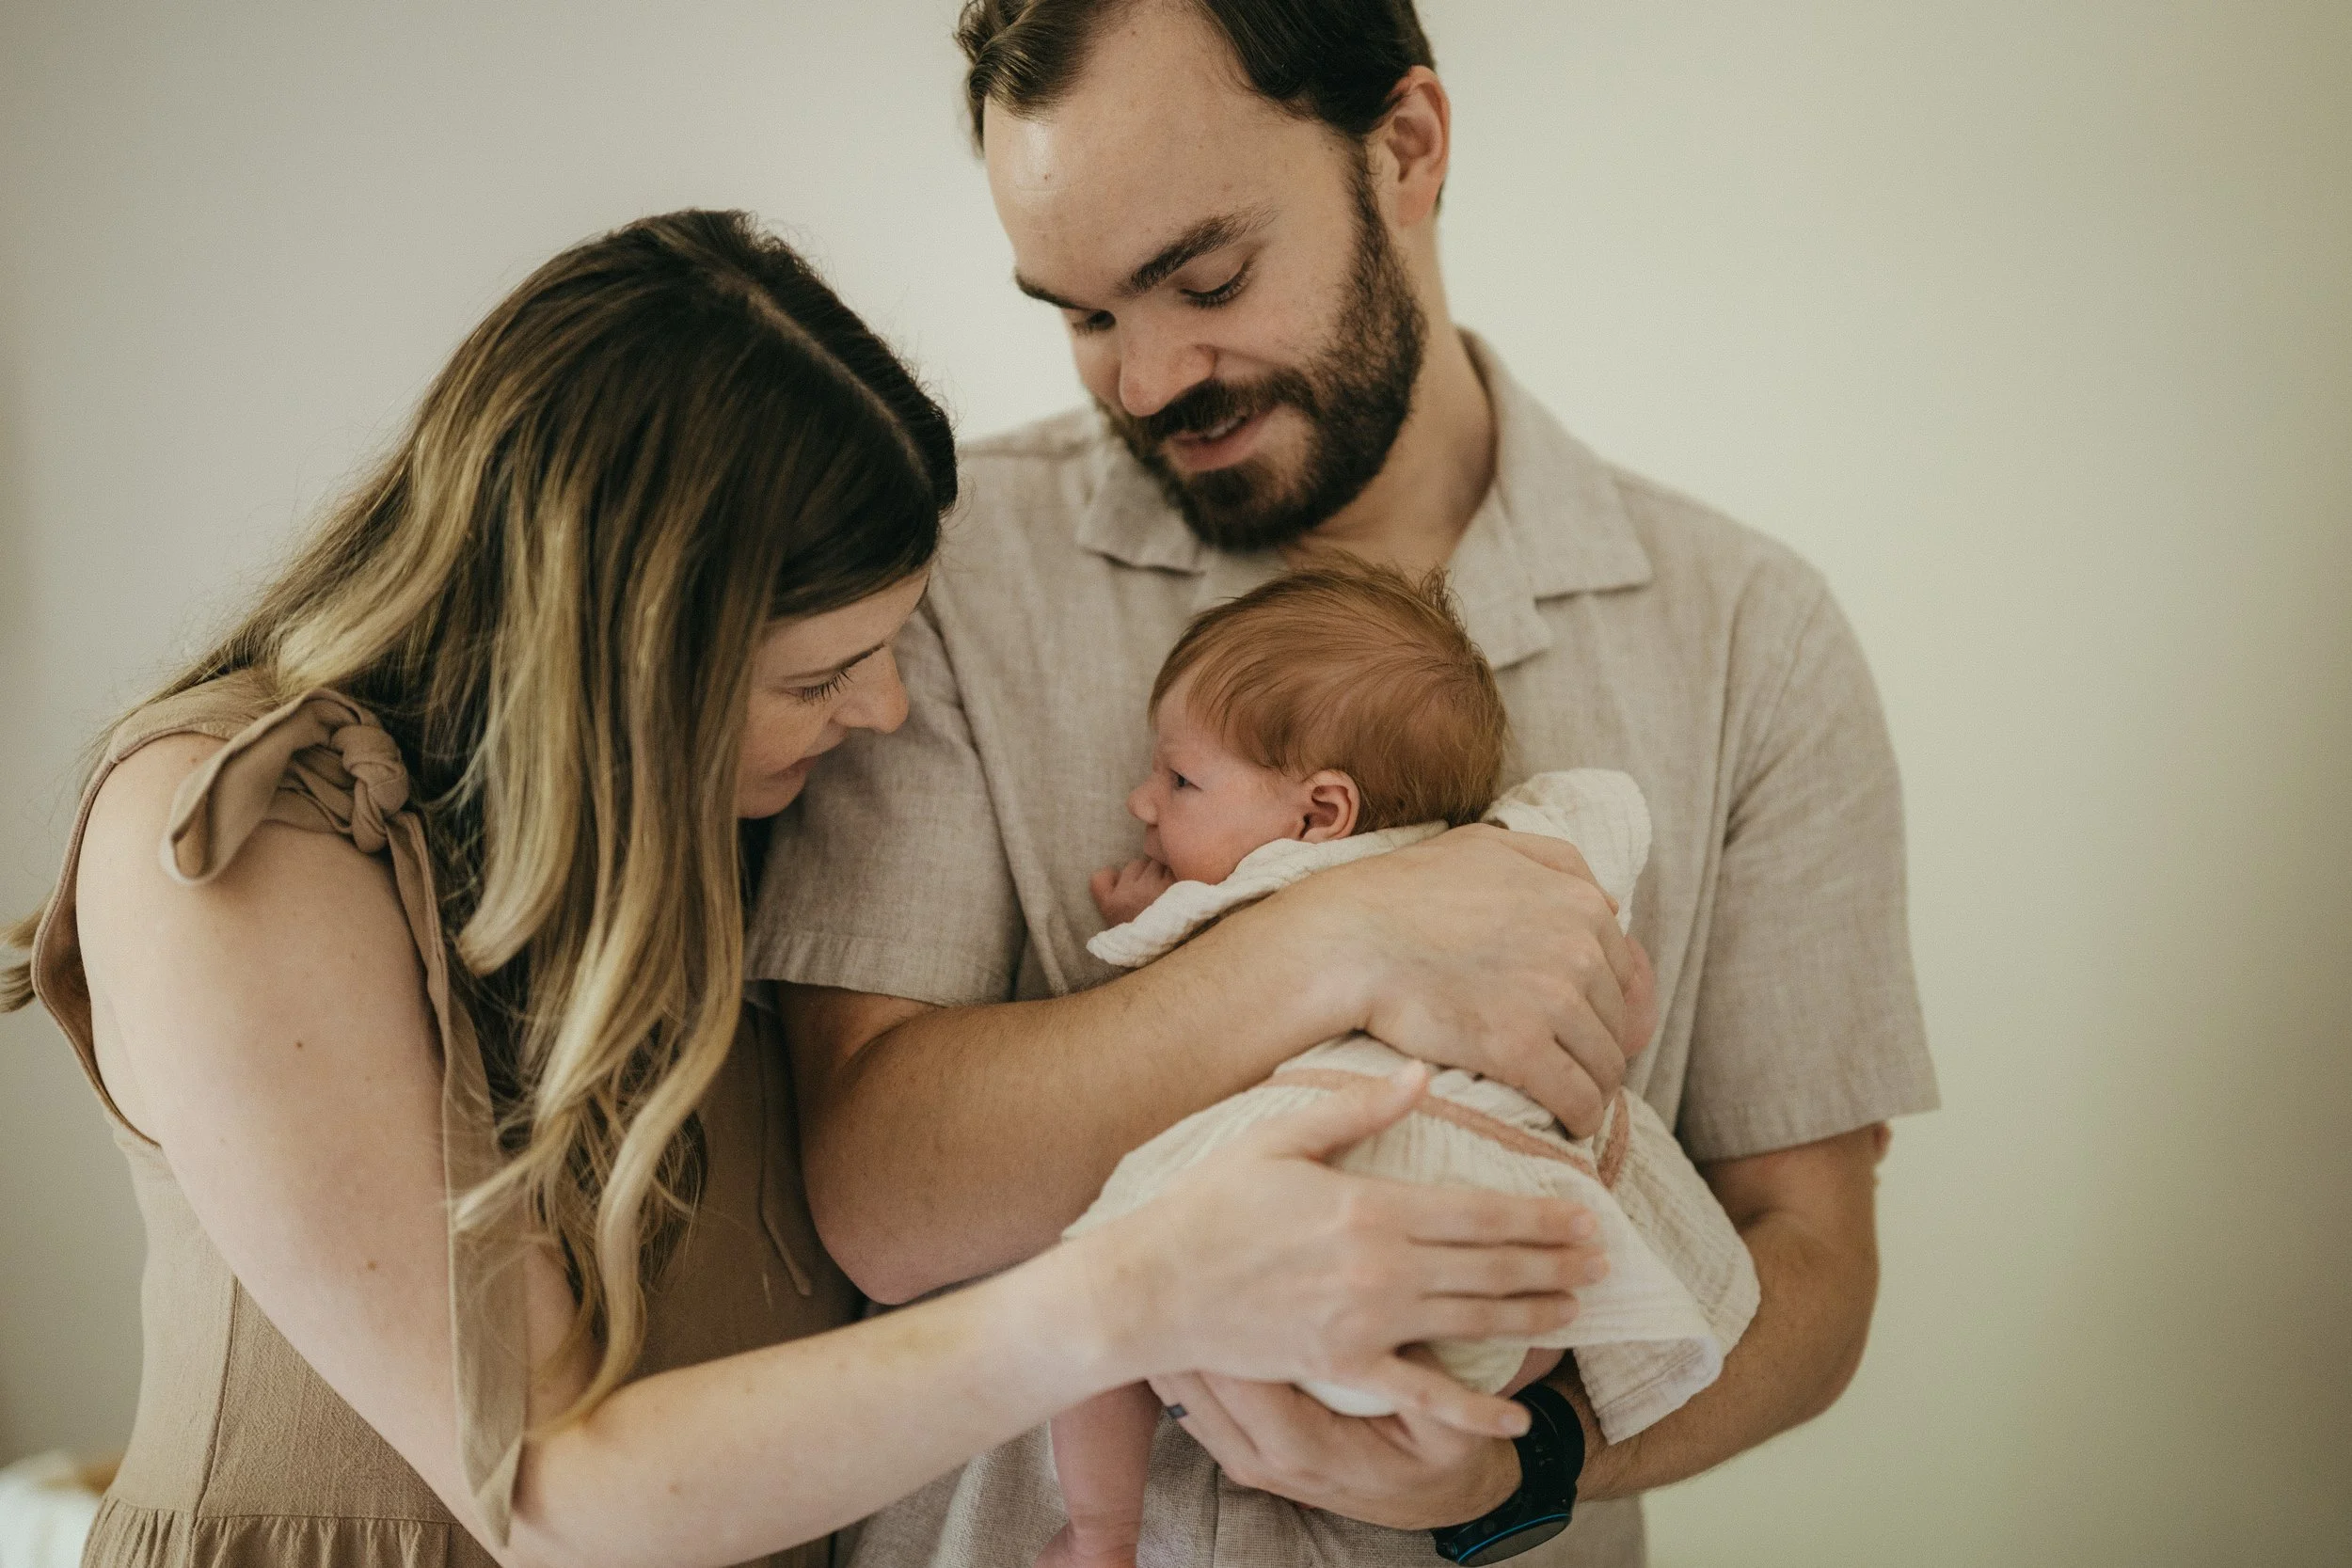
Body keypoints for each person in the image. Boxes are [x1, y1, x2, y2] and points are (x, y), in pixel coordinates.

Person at [0, 209, 1616, 1568]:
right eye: (822, 672)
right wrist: (1134, 1288)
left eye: (887, 651)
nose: (883, 712)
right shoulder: (237, 841)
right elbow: (548, 1486)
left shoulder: (720, 825)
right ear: (626, 658)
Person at [754, 1, 1938, 1564]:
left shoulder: (1749, 636)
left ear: (1407, 150)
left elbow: (1813, 1257)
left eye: (1207, 280)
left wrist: (1520, 1464)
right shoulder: (951, 583)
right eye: (1086, 314)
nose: (1147, 379)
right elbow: (880, 1197)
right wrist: (1341, 937)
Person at [1042, 562, 1760, 1568]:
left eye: (1180, 780)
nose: (1142, 799)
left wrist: (1149, 915)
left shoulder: (1262, 890)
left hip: (1330, 1201)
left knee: (1094, 1293)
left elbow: (1179, 1004)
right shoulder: (1506, 871)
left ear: (1320, 814)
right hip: (1493, 1260)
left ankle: (1098, 1531)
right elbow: (1619, 1001)